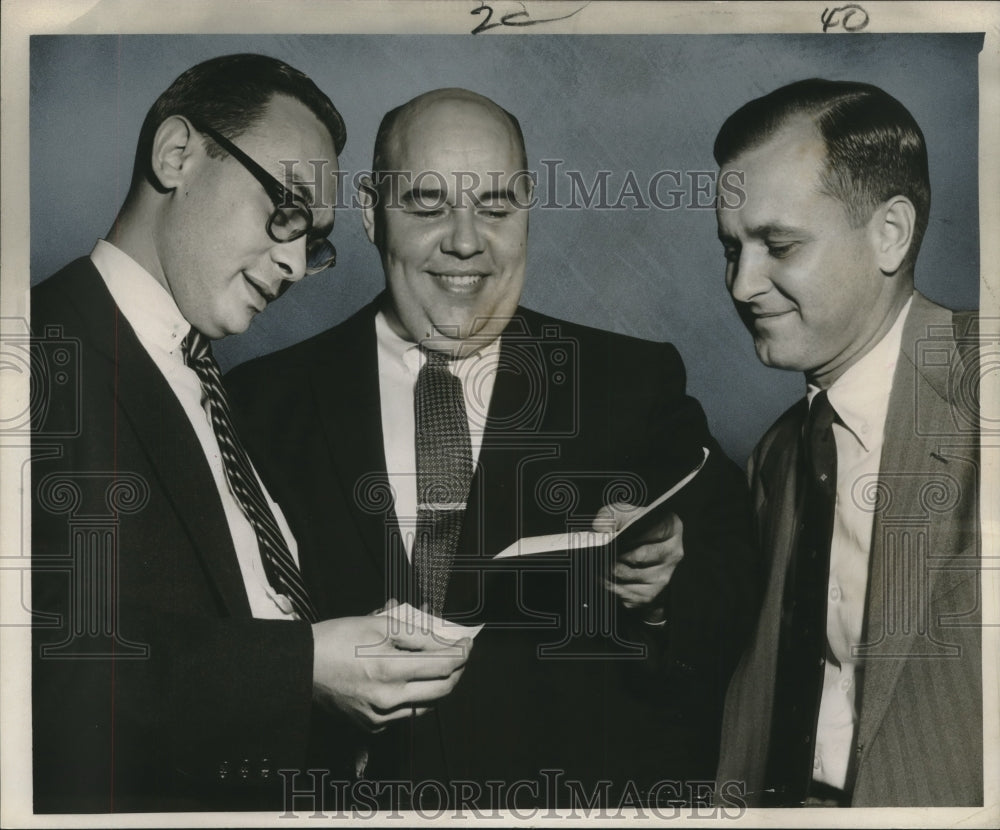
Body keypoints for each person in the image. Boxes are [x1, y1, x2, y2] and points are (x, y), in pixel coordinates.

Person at [226, 87, 758, 810]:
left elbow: (743, 587)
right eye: (427, 203)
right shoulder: (258, 403)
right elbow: (222, 653)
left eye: (497, 207)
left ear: (529, 210)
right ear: (370, 213)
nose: (467, 240)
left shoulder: (630, 383)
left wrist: (664, 588)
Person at [30, 55, 471, 814]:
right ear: (177, 156)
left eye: (316, 239)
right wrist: (299, 670)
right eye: (286, 208)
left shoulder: (208, 385)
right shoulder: (37, 353)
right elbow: (30, 672)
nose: (297, 262)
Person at [712, 78, 981, 807]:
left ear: (890, 233)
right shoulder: (777, 456)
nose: (742, 285)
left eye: (778, 245)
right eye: (731, 248)